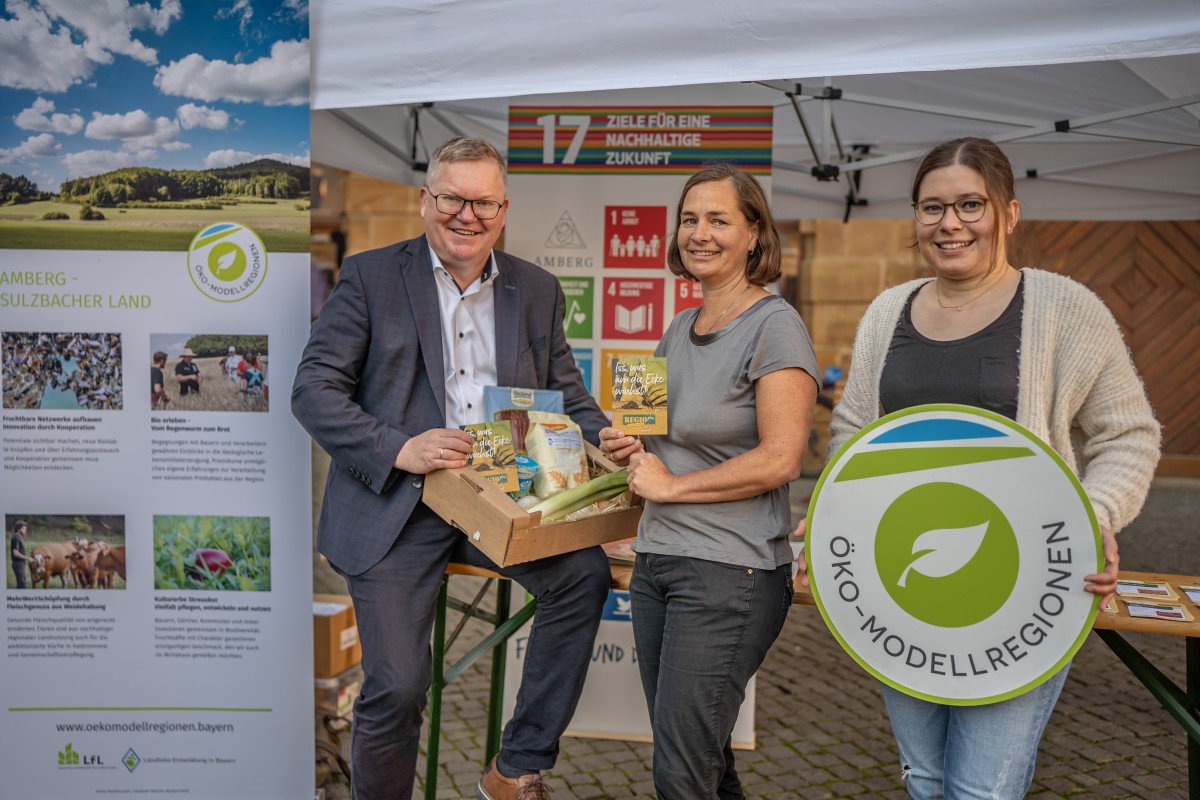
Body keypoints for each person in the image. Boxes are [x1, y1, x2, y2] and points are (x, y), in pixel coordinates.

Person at [796, 137, 1160, 799]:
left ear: (1009, 213)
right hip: (898, 590)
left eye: (971, 204)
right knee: (926, 780)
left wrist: (1091, 518)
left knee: (981, 791)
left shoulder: (1064, 309)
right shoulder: (888, 312)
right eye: (932, 208)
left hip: (1024, 593)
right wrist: (827, 518)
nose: (950, 223)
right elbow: (852, 432)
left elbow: (1130, 438)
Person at [292, 136, 610, 800]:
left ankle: (513, 768)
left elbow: (568, 395)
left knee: (583, 575)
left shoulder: (538, 289)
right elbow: (314, 391)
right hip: (397, 503)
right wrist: (399, 447)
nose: (467, 215)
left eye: (483, 202)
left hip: (501, 494)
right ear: (424, 201)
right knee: (399, 686)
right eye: (452, 199)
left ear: (504, 208)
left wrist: (610, 437)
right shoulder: (371, 276)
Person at [599, 160, 819, 799]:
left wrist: (670, 487)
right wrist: (627, 447)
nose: (700, 232)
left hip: (730, 572)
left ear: (754, 233)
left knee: (681, 771)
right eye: (690, 219)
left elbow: (780, 459)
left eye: (719, 219)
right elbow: (663, 443)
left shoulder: (775, 327)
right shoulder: (676, 329)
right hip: (659, 562)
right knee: (701, 760)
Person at [10, 520, 32, 589]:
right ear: (18, 529)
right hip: (18, 564)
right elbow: (15, 553)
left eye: (26, 529)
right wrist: (28, 558)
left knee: (21, 584)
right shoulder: (16, 538)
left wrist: (28, 556)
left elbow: (20, 552)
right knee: (22, 585)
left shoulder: (19, 538)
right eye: (24, 528)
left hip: (20, 564)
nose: (25, 530)